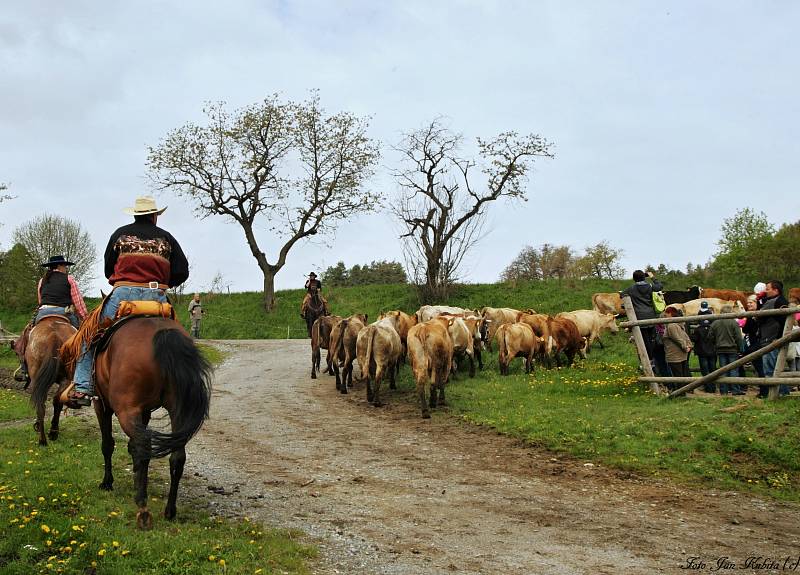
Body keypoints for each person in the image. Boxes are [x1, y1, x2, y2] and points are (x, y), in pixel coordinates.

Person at [69, 196, 189, 406]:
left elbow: (108, 268)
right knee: (181, 337)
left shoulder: (119, 234)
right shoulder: (166, 238)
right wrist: (163, 282)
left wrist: (125, 280)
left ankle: (81, 388)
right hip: (156, 297)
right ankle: (184, 384)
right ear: (154, 216)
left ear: (135, 214)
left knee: (88, 337)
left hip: (122, 294)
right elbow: (182, 271)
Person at [12, 255, 89, 382]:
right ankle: (83, 371)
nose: (66, 268)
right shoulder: (69, 279)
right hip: (64, 312)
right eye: (65, 266)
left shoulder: (42, 280)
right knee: (81, 338)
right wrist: (85, 318)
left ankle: (24, 369)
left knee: (27, 335)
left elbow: (40, 300)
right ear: (59, 266)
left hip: (44, 312)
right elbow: (78, 303)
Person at [621, 270, 663, 372]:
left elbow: (622, 294)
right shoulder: (649, 286)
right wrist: (652, 277)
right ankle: (653, 362)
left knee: (643, 341)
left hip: (639, 317)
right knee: (652, 339)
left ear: (634, 279)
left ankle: (647, 362)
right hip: (651, 316)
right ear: (644, 277)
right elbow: (659, 286)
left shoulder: (631, 289)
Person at [758, 280, 790, 396]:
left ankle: (779, 394)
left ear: (776, 290)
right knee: (775, 368)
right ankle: (782, 393)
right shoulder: (778, 301)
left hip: (771, 339)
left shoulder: (774, 301)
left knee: (770, 369)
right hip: (774, 338)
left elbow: (759, 316)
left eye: (768, 288)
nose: (765, 291)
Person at [709, 304, 744, 395]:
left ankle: (723, 390)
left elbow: (710, 336)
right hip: (732, 349)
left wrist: (715, 344)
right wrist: (741, 348)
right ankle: (735, 390)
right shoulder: (733, 323)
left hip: (720, 349)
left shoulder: (715, 323)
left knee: (722, 370)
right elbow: (738, 337)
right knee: (733, 370)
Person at [662, 307, 692, 390]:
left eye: (666, 313)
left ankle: (680, 393)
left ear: (670, 313)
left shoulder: (671, 325)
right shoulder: (679, 324)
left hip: (674, 355)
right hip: (680, 354)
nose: (665, 315)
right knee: (682, 374)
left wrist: (685, 346)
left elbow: (677, 338)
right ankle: (684, 391)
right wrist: (688, 345)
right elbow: (685, 336)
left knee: (678, 375)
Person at [691, 301, 716, 392]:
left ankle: (708, 387)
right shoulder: (712, 323)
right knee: (712, 369)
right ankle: (713, 387)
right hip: (712, 350)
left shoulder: (698, 326)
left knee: (705, 370)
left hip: (702, 351)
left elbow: (694, 339)